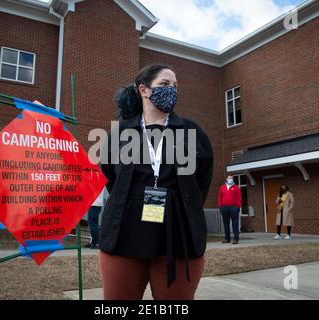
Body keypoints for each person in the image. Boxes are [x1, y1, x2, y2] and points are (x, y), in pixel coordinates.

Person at [99, 64, 214, 300]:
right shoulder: (120, 133)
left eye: (175, 86)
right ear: (144, 89)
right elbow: (110, 178)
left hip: (178, 238)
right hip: (124, 235)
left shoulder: (193, 131)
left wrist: (180, 206)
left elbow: (202, 181)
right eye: (164, 84)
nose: (171, 90)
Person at [218, 175, 242, 244]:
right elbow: (219, 197)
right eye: (229, 178)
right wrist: (220, 206)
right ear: (226, 179)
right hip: (224, 208)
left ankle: (236, 239)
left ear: (233, 180)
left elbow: (239, 198)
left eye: (231, 178)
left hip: (234, 208)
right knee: (226, 224)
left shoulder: (236, 188)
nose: (230, 179)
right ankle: (227, 238)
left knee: (235, 223)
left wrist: (238, 206)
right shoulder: (222, 187)